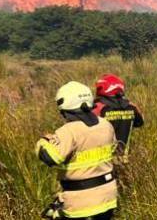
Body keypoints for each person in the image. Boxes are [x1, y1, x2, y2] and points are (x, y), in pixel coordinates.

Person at [37, 81, 118, 220]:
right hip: (108, 197)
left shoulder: (68, 131)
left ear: (65, 109)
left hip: (80, 203)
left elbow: (51, 158)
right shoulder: (106, 125)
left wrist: (43, 142)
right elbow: (114, 148)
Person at [92, 74, 144, 159]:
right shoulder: (131, 107)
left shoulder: (98, 108)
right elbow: (140, 122)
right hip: (124, 157)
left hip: (102, 161)